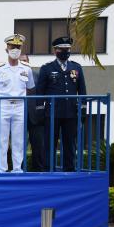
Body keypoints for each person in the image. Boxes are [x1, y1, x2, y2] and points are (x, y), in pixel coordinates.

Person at [0, 34, 35, 173]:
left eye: (18, 47)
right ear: (7, 48)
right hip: (4, 105)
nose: (15, 50)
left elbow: (30, 88)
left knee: (19, 140)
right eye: (13, 47)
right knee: (2, 140)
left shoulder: (26, 68)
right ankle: (1, 169)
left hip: (20, 106)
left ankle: (17, 169)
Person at [36, 36, 87, 172]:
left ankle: (69, 170)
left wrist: (83, 109)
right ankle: (49, 170)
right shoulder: (47, 68)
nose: (65, 52)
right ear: (55, 51)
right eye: (62, 49)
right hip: (52, 113)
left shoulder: (76, 67)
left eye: (67, 49)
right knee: (50, 143)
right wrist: (40, 111)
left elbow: (82, 90)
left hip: (70, 112)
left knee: (70, 143)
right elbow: (40, 92)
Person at [19, 53, 45, 171]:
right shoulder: (14, 75)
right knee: (19, 146)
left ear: (29, 62)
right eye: (21, 61)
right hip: (18, 116)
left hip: (36, 116)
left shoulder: (37, 76)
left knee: (38, 145)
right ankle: (19, 169)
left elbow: (42, 94)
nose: (24, 62)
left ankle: (38, 169)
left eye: (25, 60)